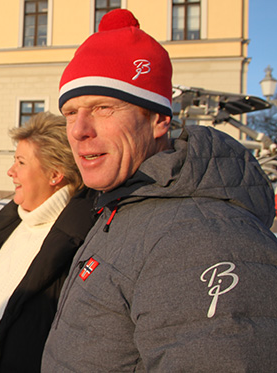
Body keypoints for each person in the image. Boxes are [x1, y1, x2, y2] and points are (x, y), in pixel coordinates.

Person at [42, 9, 277, 372]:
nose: (78, 130)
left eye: (103, 107)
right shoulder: (124, 207)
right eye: (71, 112)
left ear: (159, 120)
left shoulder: (201, 237)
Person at [0, 112, 98, 372]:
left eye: (21, 162)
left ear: (55, 174)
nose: (10, 171)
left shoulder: (82, 244)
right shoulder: (8, 225)